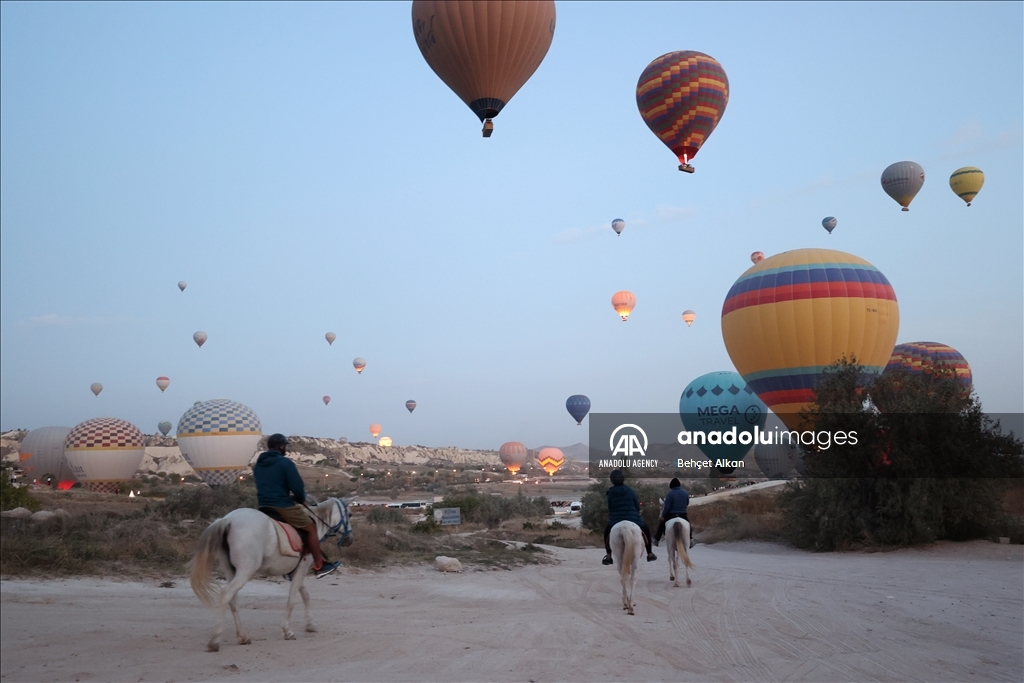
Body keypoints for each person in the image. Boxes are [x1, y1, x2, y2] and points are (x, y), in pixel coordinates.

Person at [252, 433, 339, 579]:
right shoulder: (286, 463)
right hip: (281, 505)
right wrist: (298, 498)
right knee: (311, 527)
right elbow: (297, 487)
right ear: (281, 447)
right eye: (285, 446)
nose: (285, 448)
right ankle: (319, 564)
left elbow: (268, 485)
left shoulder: (258, 465)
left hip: (263, 505)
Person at [602, 469, 656, 565]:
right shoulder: (630, 490)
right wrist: (635, 512)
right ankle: (650, 553)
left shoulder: (610, 492)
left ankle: (608, 555)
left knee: (606, 533)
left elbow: (610, 507)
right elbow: (636, 504)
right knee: (646, 530)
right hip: (632, 517)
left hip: (616, 518)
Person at [653, 478, 695, 549]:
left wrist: (663, 515)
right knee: (688, 525)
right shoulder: (685, 493)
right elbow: (687, 503)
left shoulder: (670, 494)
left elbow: (667, 507)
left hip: (671, 515)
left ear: (671, 486)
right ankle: (690, 539)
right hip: (683, 514)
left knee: (661, 524)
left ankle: (656, 539)